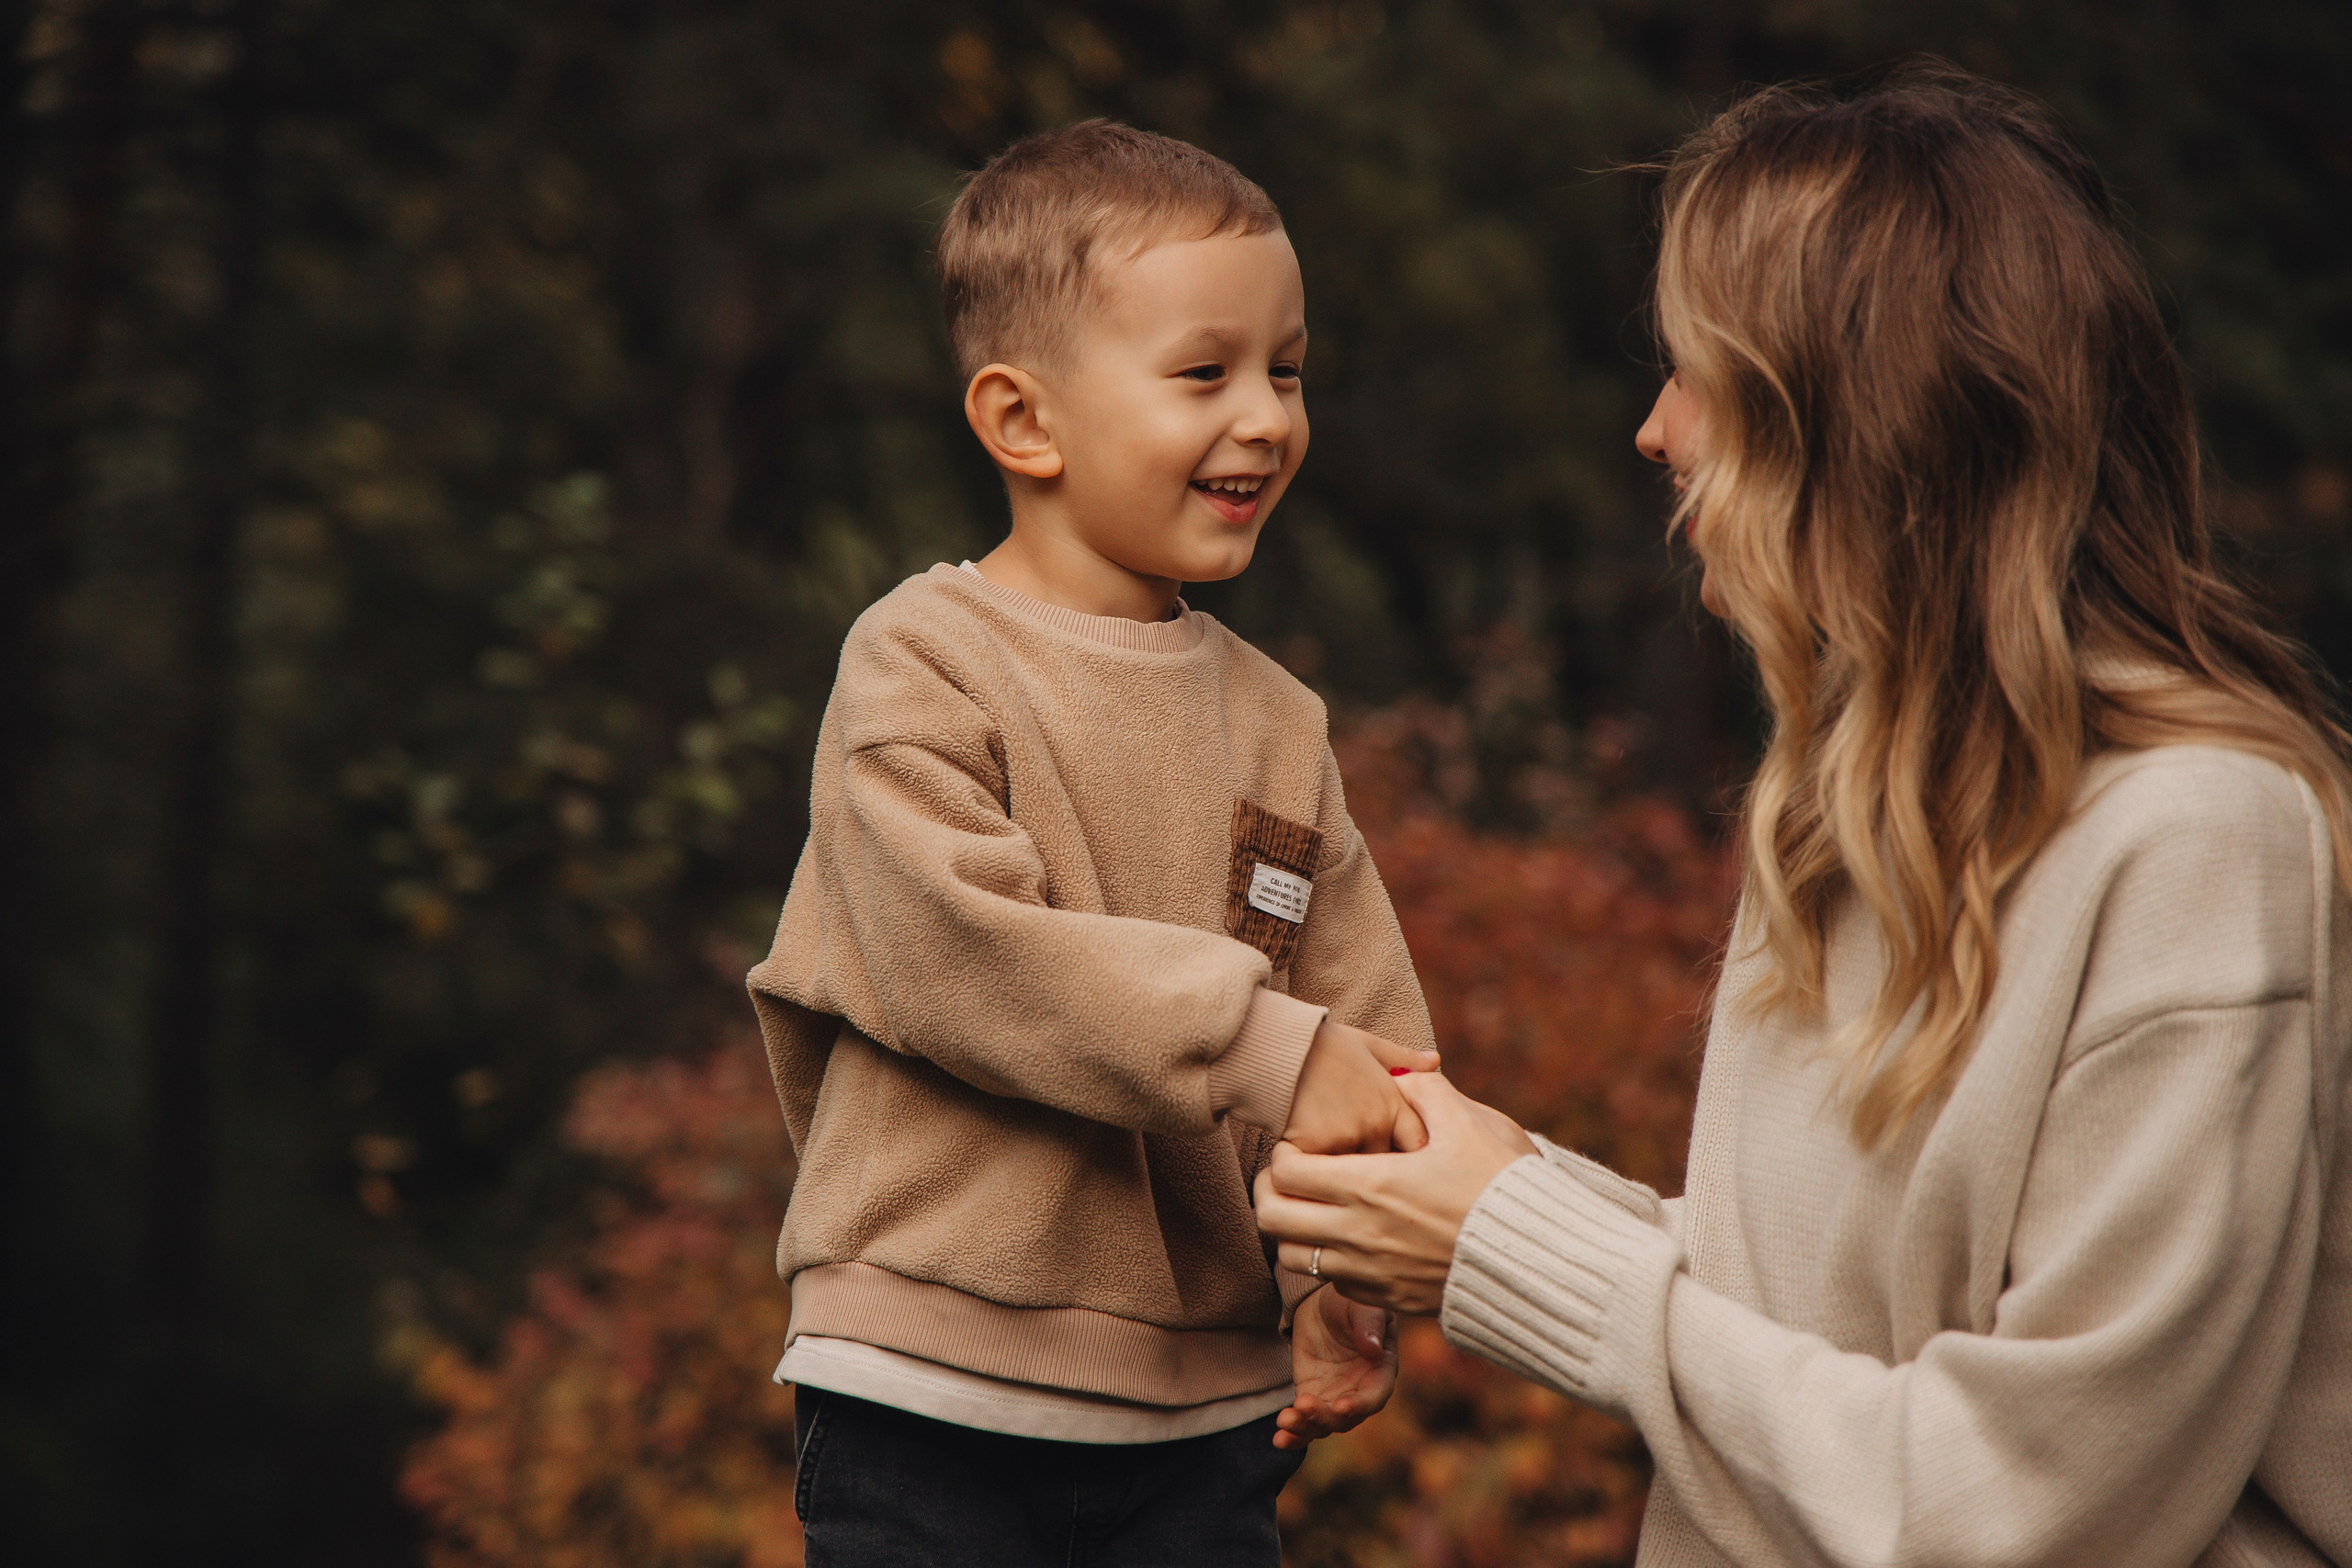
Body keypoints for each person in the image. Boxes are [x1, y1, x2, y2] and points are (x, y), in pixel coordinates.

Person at [1255, 64, 2352, 1568]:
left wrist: (1508, 1236)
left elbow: (2025, 1512)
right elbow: (1800, 1333)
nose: (1653, 432)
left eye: (1696, 371)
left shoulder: (2200, 845)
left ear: (1858, 414)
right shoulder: (1851, 818)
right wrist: (1485, 1185)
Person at [746, 120, 1436, 1567]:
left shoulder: (1278, 723)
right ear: (1023, 421)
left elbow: (1362, 1035)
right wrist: (1270, 1051)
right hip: (926, 1390)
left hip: (1202, 1425)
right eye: (1206, 373)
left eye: (1287, 370)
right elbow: (962, 953)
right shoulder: (920, 662)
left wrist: (1330, 1275)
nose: (1264, 417)